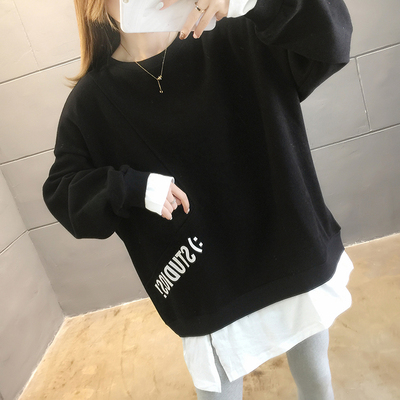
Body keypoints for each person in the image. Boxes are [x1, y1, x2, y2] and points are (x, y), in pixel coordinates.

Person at [43, 0, 353, 398]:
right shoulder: (91, 104)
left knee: (316, 379)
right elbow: (64, 191)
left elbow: (330, 38)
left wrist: (252, 2)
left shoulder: (239, 32)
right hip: (205, 284)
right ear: (95, 6)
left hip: (290, 248)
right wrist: (129, 188)